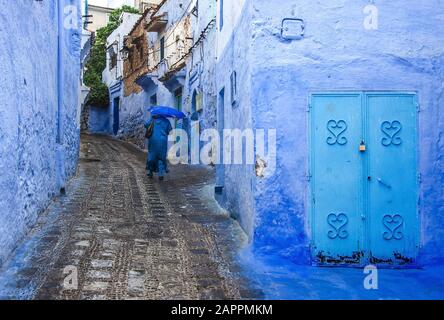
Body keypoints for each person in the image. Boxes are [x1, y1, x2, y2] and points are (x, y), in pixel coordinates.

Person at [144, 115, 172, 180]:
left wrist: (151, 118)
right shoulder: (166, 121)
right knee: (161, 157)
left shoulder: (152, 119)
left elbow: (145, 125)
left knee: (152, 156)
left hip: (153, 141)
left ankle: (150, 171)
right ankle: (160, 174)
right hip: (162, 142)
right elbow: (170, 132)